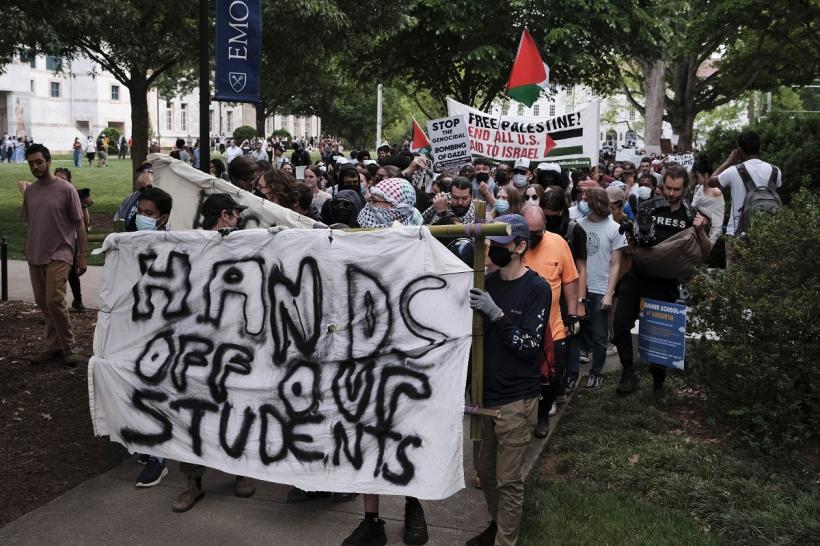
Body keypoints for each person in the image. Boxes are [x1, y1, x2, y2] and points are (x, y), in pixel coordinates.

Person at [467, 214, 550, 546]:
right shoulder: (489, 282)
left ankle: (506, 540)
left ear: (520, 247)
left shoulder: (537, 288)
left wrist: (496, 314)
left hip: (516, 401)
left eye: (501, 245)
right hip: (483, 397)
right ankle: (497, 523)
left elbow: (529, 346)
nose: (494, 251)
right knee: (485, 473)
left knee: (508, 481)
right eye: (492, 244)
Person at [171, 194, 256, 512]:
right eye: (235, 214)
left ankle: (240, 472)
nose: (239, 218)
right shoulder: (192, 246)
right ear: (224, 215)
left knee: (236, 406)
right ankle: (192, 482)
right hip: (196, 344)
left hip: (235, 343)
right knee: (192, 412)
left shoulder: (245, 244)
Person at [613, 165, 712, 395]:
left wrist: (700, 230)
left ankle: (658, 381)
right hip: (638, 274)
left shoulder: (691, 214)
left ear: (685, 189)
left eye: (677, 189)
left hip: (665, 282)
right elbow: (634, 241)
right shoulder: (648, 207)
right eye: (668, 188)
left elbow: (706, 251)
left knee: (660, 333)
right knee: (619, 325)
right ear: (662, 185)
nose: (671, 193)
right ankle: (628, 372)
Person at [21, 145, 88, 368]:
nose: (35, 166)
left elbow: (79, 224)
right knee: (43, 302)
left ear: (48, 161)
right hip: (35, 253)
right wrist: (27, 246)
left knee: (54, 300)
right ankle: (54, 347)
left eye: (39, 162)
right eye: (31, 163)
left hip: (61, 252)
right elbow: (31, 223)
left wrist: (82, 255)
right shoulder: (30, 192)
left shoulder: (66, 189)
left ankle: (70, 348)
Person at [521, 205, 580, 437]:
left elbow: (570, 280)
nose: (533, 238)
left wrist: (573, 313)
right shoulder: (512, 242)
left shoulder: (557, 243)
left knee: (554, 375)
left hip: (552, 326)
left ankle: (543, 415)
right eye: (529, 233)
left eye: (538, 233)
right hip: (520, 325)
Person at [577, 188, 626, 388]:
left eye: (585, 199)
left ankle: (596, 371)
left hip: (600, 288)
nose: (581, 202)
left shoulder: (614, 229)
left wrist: (609, 292)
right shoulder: (578, 226)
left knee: (599, 335)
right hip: (580, 286)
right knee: (579, 330)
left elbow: (616, 264)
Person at [709, 130, 780, 267]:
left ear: (740, 150)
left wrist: (729, 161)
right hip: (767, 233)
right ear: (759, 147)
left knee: (735, 281)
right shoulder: (775, 171)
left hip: (736, 233)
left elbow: (710, 182)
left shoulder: (734, 171)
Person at [541, 188, 588, 391]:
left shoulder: (574, 230)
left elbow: (581, 268)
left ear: (563, 211)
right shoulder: (538, 230)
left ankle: (571, 375)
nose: (549, 219)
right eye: (546, 215)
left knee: (571, 333)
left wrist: (580, 302)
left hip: (569, 289)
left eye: (554, 216)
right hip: (548, 290)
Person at [357, 178, 424, 227]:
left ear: (395, 208)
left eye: (374, 200)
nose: (369, 204)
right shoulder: (366, 225)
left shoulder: (417, 238)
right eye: (370, 199)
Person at [691, 157, 725, 245]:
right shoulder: (698, 188)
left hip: (704, 236)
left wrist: (710, 246)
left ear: (705, 175)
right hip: (692, 234)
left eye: (697, 176)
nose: (695, 179)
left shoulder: (716, 193)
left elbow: (717, 224)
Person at [114, 162, 154, 232]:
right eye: (143, 172)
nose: (144, 175)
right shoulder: (132, 197)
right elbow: (118, 218)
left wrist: (149, 185)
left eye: (149, 172)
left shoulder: (162, 197)